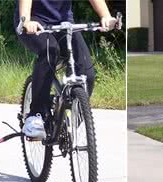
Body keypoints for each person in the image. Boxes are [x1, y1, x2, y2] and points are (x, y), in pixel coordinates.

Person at [15, 0, 117, 139]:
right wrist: (26, 21)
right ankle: (35, 116)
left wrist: (105, 15)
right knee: (49, 51)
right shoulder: (28, 21)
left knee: (87, 74)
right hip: (34, 21)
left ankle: (71, 118)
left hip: (64, 23)